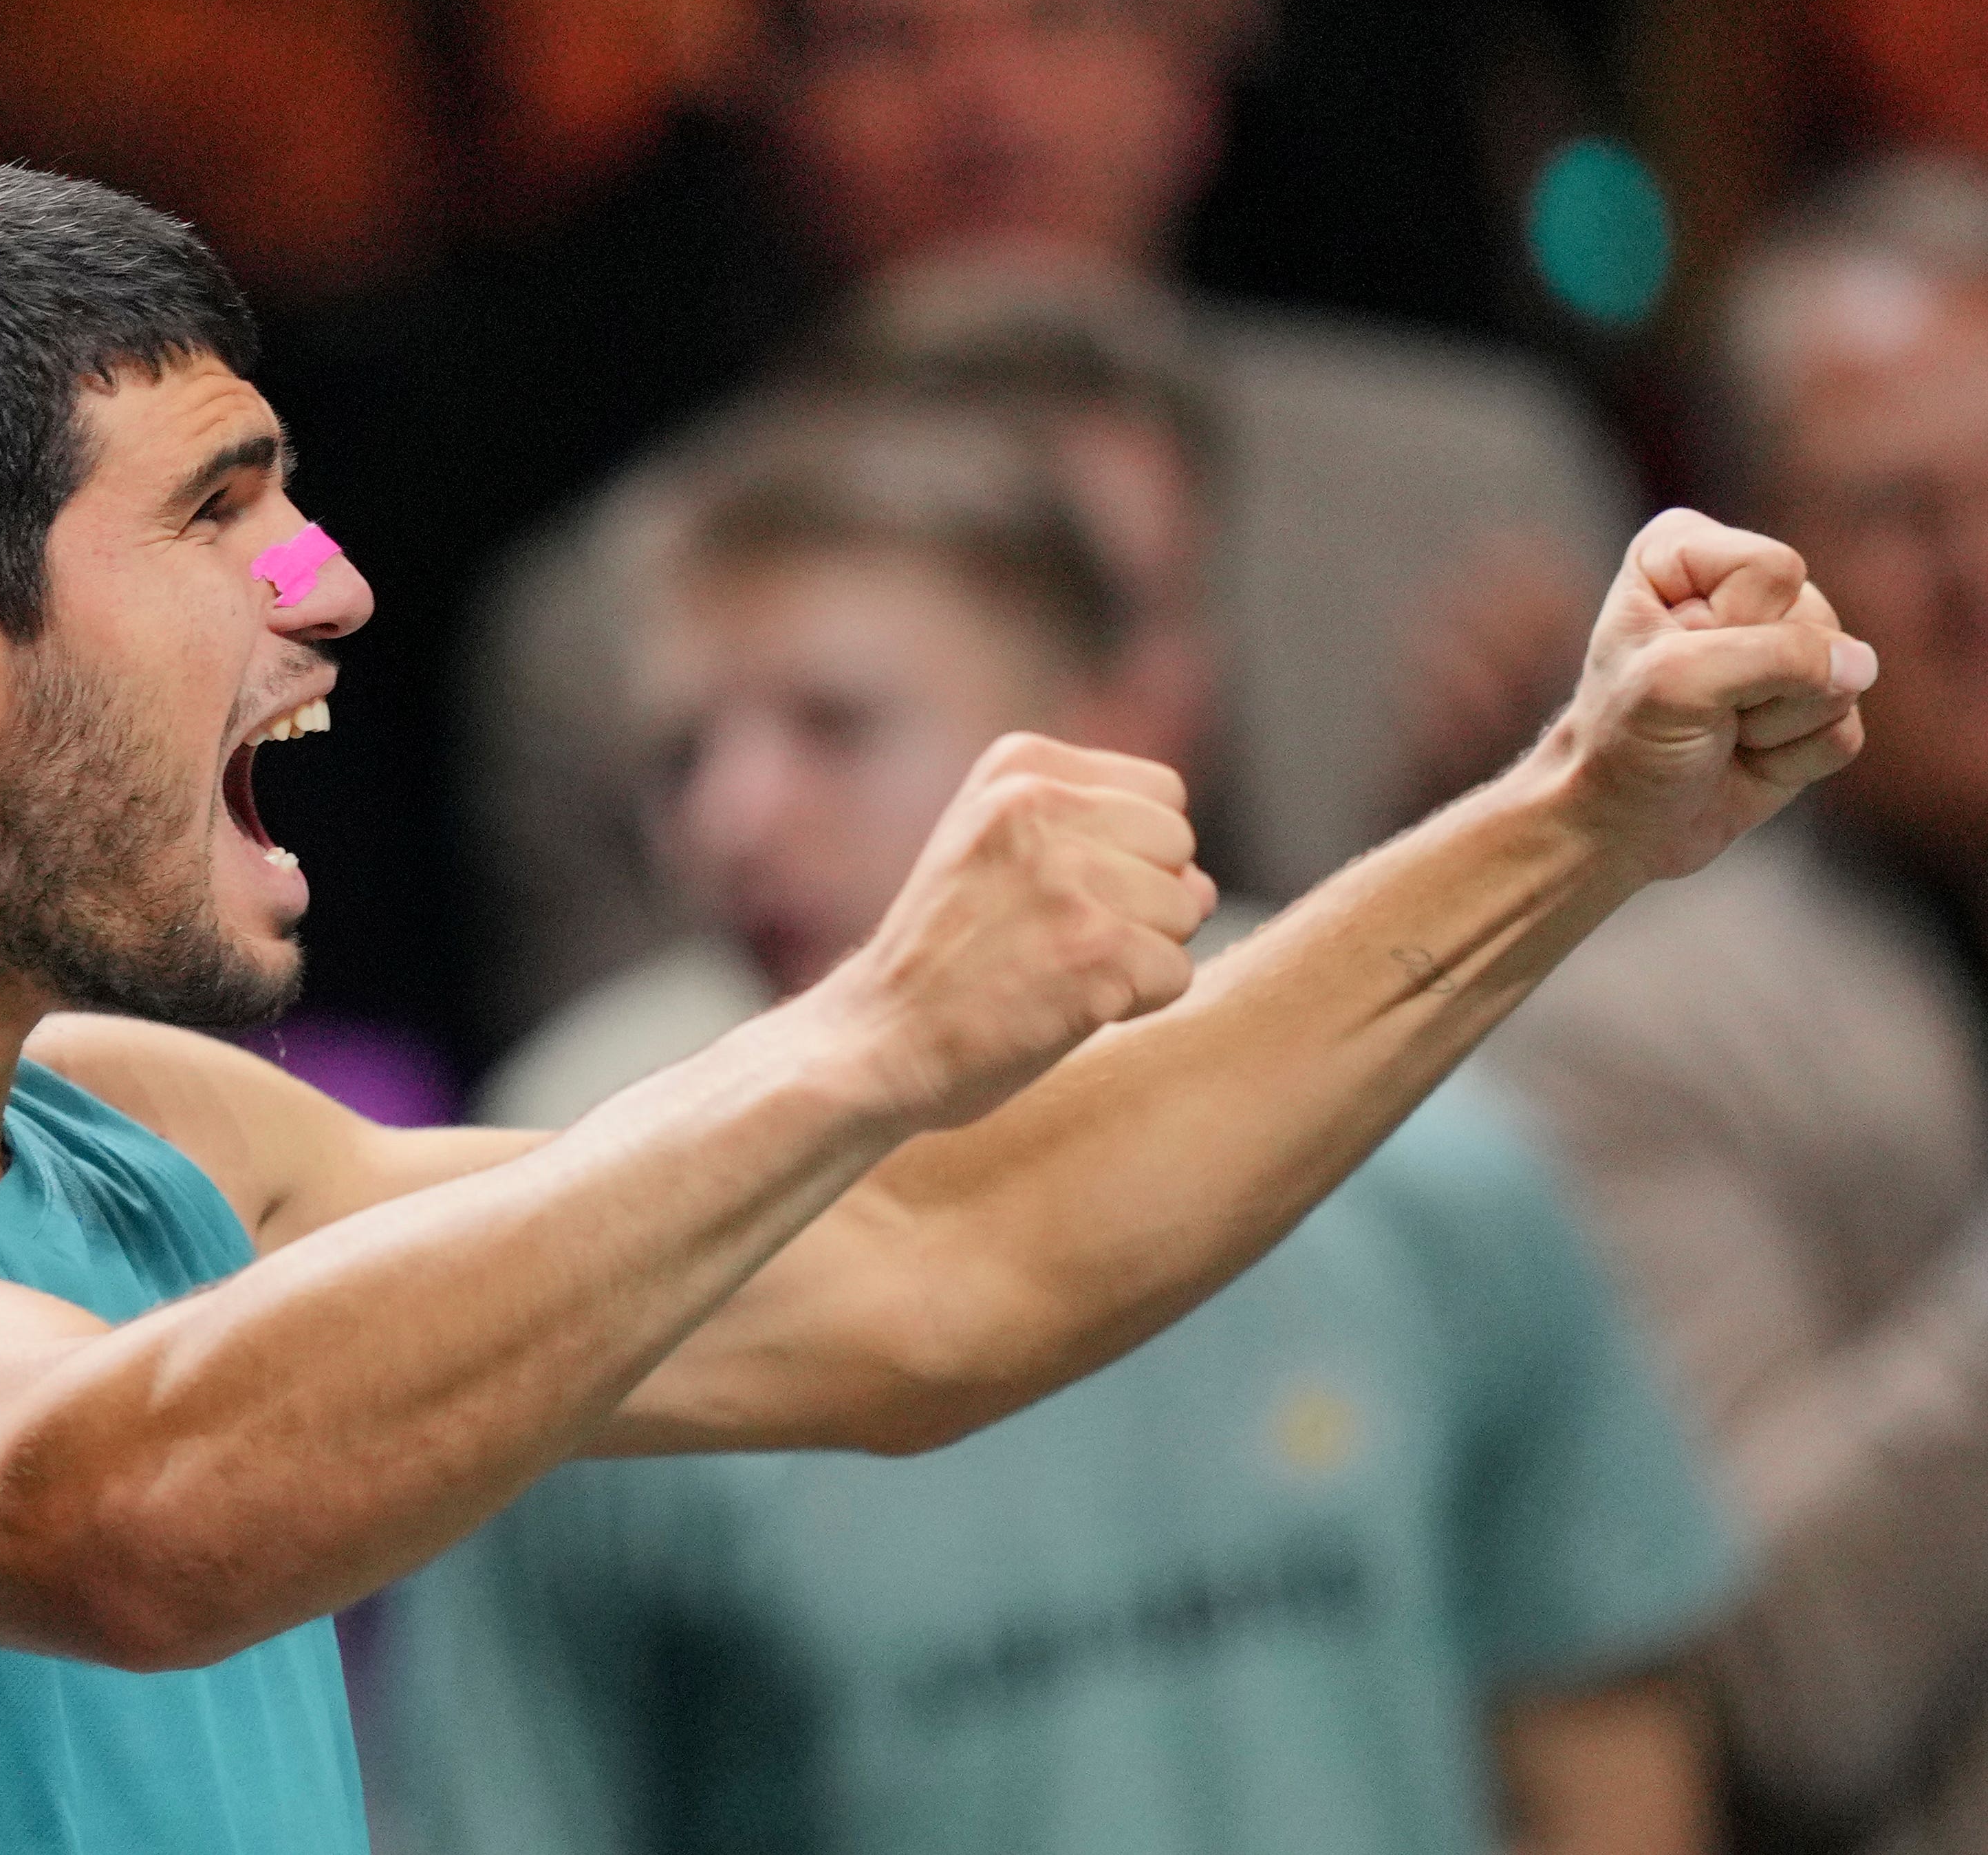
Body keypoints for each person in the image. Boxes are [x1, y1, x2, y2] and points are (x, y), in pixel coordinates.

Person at [0, 154, 1866, 1853]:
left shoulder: (131, 1130)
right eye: (221, 509)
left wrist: (1571, 823)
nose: (325, 588)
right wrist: (871, 1032)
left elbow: (963, 1274)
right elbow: (112, 1513)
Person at [392, 381, 1736, 1855]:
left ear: (1099, 732)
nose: (729, 819)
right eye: (679, 755)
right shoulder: (573, 1205)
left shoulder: (1420, 1130)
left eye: (833, 724)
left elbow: (1592, 1732)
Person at [463, 0, 1641, 1039]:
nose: (990, 107)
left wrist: (1505, 844)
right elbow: (627, 1124)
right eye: (886, 39)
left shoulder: (1476, 495)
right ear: (771, 110)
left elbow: (1658, 1041)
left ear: (1198, 75)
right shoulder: (611, 606)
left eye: (1062, 15)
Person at [1484, 156, 1988, 1854]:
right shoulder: (1632, 1022)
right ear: (1761, 568)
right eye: (1899, 512)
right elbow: (1775, 1690)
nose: (1976, 577)